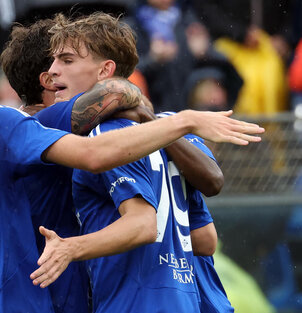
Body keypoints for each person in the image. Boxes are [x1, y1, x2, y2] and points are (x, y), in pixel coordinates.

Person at [0, 5, 264, 312]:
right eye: (53, 63)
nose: (54, 71)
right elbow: (106, 134)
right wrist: (182, 121)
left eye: (65, 61)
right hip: (17, 301)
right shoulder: (4, 125)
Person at [28, 12, 241, 312]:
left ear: (105, 70)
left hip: (134, 303)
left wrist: (71, 248)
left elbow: (142, 225)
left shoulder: (107, 134)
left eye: (67, 60)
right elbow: (206, 238)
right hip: (191, 300)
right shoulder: (170, 125)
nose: (53, 71)